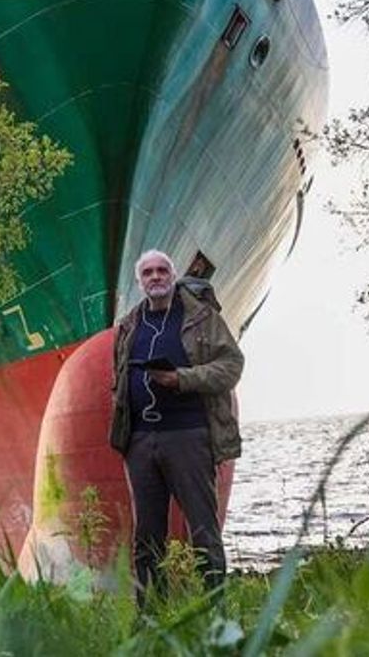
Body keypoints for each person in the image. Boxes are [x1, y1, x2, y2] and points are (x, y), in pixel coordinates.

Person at [109, 249, 244, 604]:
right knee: (146, 536)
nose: (156, 277)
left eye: (162, 270)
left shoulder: (201, 317)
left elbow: (232, 364)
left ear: (173, 275)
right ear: (139, 281)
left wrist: (182, 378)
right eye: (148, 273)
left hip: (189, 437)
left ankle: (215, 612)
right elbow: (117, 378)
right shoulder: (128, 325)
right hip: (140, 441)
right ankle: (150, 615)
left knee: (203, 527)